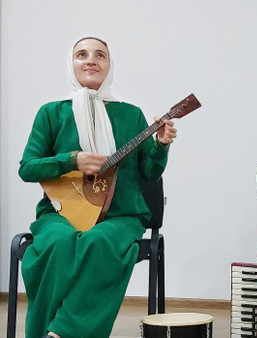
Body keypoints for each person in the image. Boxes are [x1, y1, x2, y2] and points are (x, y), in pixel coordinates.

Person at [18, 37, 176, 338]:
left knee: (99, 243)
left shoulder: (131, 115)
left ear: (109, 66)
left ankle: (62, 332)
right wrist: (72, 160)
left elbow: (150, 173)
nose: (91, 60)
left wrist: (161, 146)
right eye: (82, 54)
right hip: (60, 213)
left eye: (100, 55)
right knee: (58, 243)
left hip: (120, 215)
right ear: (71, 63)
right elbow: (27, 168)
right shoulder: (52, 113)